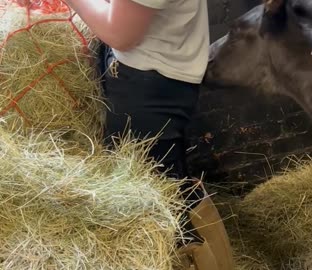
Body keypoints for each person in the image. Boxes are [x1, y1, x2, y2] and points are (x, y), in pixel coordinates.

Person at [62, 0, 235, 269]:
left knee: (157, 210)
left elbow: (120, 33)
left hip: (150, 83)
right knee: (172, 188)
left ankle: (199, 260)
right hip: (154, 77)